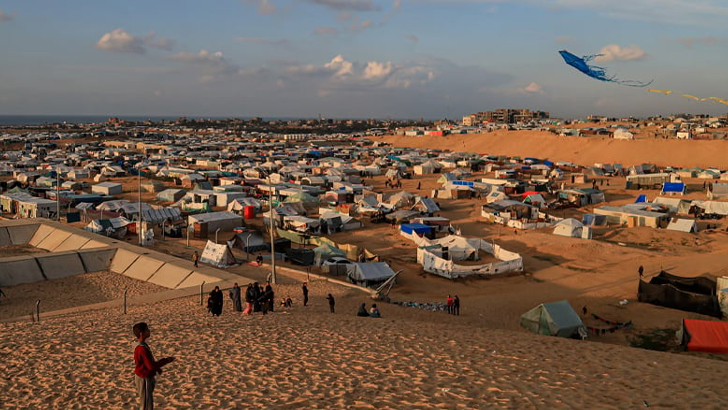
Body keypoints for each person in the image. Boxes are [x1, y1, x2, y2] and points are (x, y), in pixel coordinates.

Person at [133, 322, 175, 410]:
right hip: (144, 377)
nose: (149, 331)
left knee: (146, 401)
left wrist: (157, 369)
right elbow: (150, 366)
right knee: (146, 404)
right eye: (147, 330)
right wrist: (165, 361)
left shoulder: (139, 345)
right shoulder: (142, 349)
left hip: (144, 376)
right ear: (142, 333)